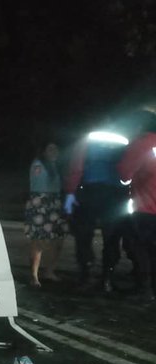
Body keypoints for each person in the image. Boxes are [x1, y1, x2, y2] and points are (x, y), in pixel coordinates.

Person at [64, 131, 130, 291]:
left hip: (89, 191)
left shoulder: (89, 138)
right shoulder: (123, 139)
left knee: (84, 236)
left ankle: (85, 274)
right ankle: (107, 278)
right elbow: (127, 167)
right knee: (112, 238)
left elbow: (77, 166)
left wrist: (70, 192)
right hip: (115, 194)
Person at [117, 112, 156, 302]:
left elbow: (125, 175)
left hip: (146, 207)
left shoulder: (142, 144)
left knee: (141, 248)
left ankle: (144, 289)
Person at [24, 142, 67, 287]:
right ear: (44, 151)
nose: (54, 151)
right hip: (40, 204)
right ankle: (34, 275)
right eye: (50, 149)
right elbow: (37, 184)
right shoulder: (38, 164)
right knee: (38, 241)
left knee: (58, 240)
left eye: (56, 149)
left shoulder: (57, 166)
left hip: (54, 204)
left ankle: (49, 271)